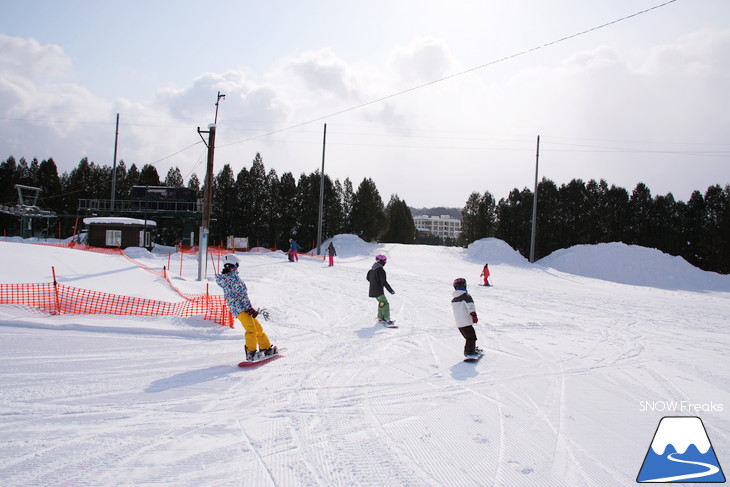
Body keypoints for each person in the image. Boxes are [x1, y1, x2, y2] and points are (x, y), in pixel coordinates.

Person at [215, 254, 277, 361]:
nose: (237, 267)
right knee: (251, 329)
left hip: (240, 308)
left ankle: (265, 348)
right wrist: (249, 308)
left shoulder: (226, 278)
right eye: (237, 265)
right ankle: (251, 352)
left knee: (257, 328)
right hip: (240, 308)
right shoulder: (233, 278)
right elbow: (242, 295)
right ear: (233, 264)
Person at [451, 277, 483, 357]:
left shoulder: (454, 300)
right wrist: (473, 315)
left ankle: (470, 349)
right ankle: (469, 352)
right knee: (472, 338)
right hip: (466, 322)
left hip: (459, 323)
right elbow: (470, 306)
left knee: (468, 337)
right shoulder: (466, 296)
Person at [367, 254, 395, 325]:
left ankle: (380, 317)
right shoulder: (380, 270)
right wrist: (390, 290)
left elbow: (368, 278)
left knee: (381, 302)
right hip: (378, 290)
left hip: (373, 290)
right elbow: (384, 281)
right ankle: (387, 319)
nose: (385, 262)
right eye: (385, 261)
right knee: (385, 303)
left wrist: (374, 282)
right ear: (382, 262)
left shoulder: (371, 270)